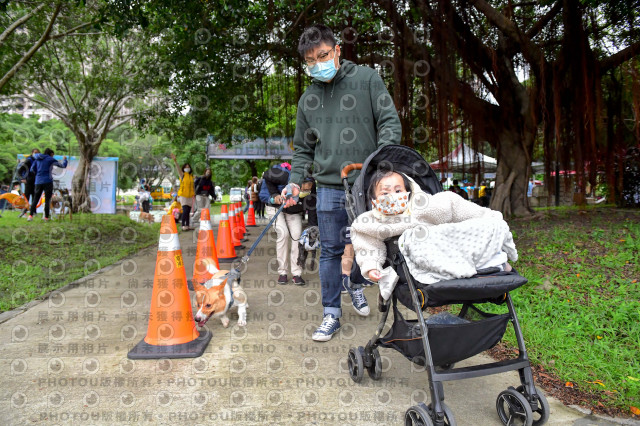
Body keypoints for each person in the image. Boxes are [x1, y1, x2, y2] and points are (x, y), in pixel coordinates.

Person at [283, 24, 402, 341]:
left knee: (380, 245)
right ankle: (331, 314)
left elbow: (389, 122)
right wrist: (294, 182)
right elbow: (303, 149)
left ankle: (360, 284)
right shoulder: (308, 100)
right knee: (330, 251)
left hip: (369, 184)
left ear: (337, 50)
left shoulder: (367, 79)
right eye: (311, 61)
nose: (318, 64)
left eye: (323, 55)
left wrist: (382, 166)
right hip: (329, 187)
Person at [350, 170, 517, 298]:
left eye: (398, 190)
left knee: (475, 227)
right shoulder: (371, 222)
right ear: (373, 200)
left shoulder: (426, 206)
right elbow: (368, 244)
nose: (392, 196)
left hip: (450, 245)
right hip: (421, 258)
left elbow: (455, 206)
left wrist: (490, 218)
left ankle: (495, 261)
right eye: (385, 193)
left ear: (409, 192)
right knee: (416, 239)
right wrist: (371, 267)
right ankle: (491, 266)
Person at [261, 163, 306, 285]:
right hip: (275, 207)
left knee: (297, 236)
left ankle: (297, 273)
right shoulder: (277, 177)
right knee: (283, 234)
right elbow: (265, 184)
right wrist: (275, 196)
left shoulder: (306, 183)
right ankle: (282, 272)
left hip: (293, 210)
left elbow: (310, 202)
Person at [27, 148, 67, 222]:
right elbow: (62, 166)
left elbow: (32, 169)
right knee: (47, 200)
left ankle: (30, 216)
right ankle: (46, 217)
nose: (53, 156)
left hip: (38, 181)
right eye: (53, 155)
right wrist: (65, 160)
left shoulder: (37, 159)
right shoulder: (50, 159)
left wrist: (38, 174)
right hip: (48, 181)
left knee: (35, 199)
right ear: (51, 154)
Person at [170, 154, 195, 231]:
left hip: (190, 196)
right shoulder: (182, 175)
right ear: (183, 168)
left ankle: (187, 225)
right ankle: (183, 225)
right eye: (186, 167)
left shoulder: (191, 176)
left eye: (188, 167)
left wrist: (194, 193)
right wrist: (175, 161)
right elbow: (178, 169)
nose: (187, 168)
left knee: (188, 211)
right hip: (183, 195)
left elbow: (193, 186)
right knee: (185, 210)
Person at [18, 148, 40, 217]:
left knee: (35, 196)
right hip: (29, 180)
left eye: (38, 153)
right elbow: (20, 170)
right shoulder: (29, 160)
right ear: (32, 153)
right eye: (35, 153)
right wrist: (23, 178)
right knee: (27, 196)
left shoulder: (39, 160)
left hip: (36, 181)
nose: (36, 154)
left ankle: (33, 212)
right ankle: (24, 212)